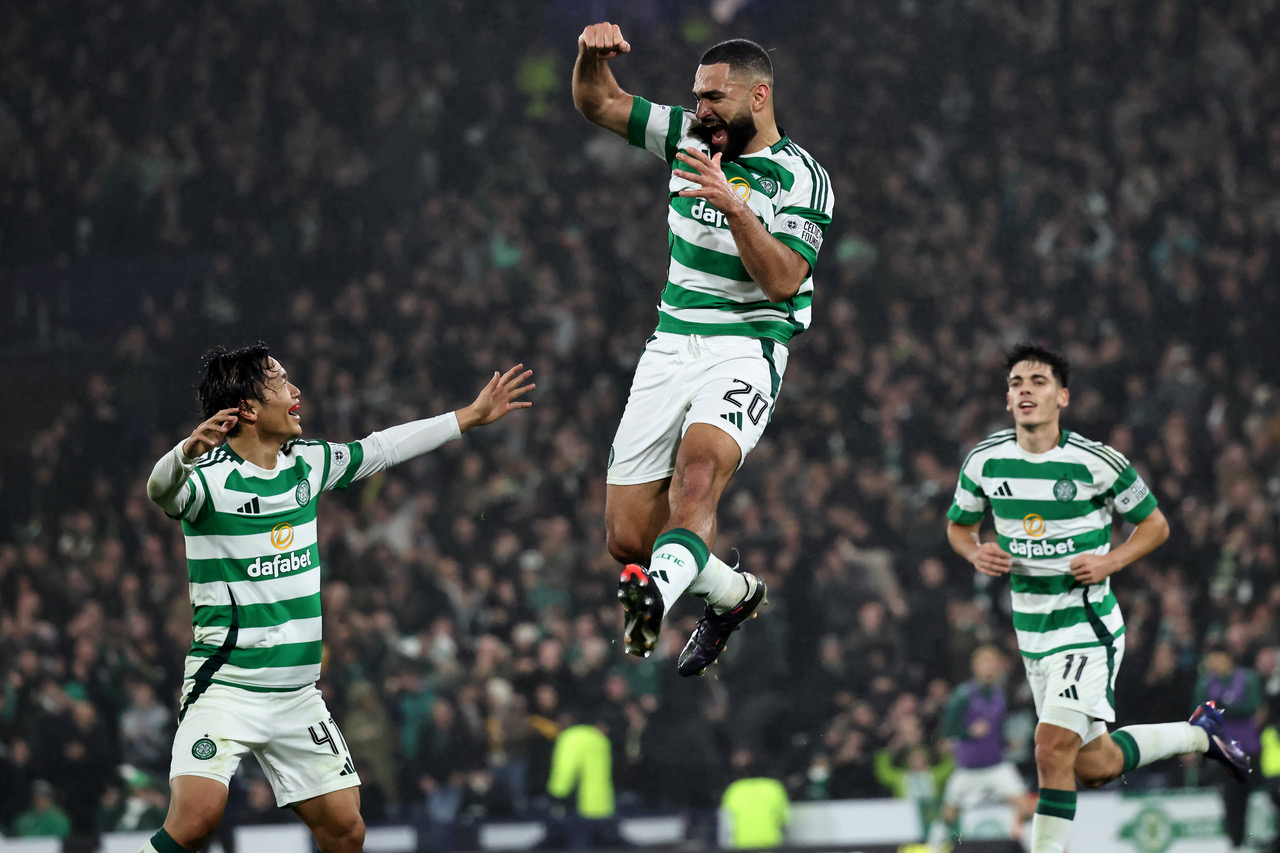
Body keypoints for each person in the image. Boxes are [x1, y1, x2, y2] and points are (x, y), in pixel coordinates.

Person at [143, 343, 533, 853]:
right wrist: (183, 454)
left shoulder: (307, 465)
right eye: (281, 382)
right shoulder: (209, 481)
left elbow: (383, 448)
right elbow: (160, 492)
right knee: (196, 821)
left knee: (347, 830)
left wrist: (469, 417)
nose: (296, 391)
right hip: (227, 689)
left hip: (298, 694)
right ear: (249, 409)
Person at [572, 22, 835, 676]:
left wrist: (734, 206)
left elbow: (782, 280)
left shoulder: (802, 179)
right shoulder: (689, 136)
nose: (701, 110)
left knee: (697, 478)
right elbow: (599, 102)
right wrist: (588, 57)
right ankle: (733, 594)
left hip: (747, 347)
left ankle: (652, 600)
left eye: (715, 97)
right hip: (670, 346)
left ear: (760, 96)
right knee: (628, 536)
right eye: (697, 96)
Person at [945, 343, 1250, 853]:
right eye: (1017, 382)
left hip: (1087, 627)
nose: (1025, 390)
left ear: (1062, 397)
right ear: (1007, 399)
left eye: (1038, 382)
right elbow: (958, 528)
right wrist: (975, 553)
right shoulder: (984, 461)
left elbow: (1155, 525)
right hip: (1033, 633)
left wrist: (1110, 561)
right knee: (1093, 765)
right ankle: (1201, 735)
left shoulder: (1096, 462)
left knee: (1048, 748)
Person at [926, 645, 1030, 851]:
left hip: (996, 766)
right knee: (948, 817)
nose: (989, 667)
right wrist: (968, 732)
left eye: (993, 662)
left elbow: (996, 730)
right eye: (984, 662)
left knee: (1025, 809)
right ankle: (934, 848)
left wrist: (1006, 742)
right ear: (975, 667)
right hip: (968, 770)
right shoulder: (963, 695)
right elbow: (947, 729)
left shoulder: (1000, 695)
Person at [1192, 644, 1262, 849]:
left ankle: (1245, 840)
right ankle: (1235, 842)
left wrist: (1225, 707)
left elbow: (1252, 706)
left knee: (1246, 796)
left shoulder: (1247, 678)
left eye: (1218, 657)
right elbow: (1198, 712)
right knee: (1228, 797)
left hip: (1246, 748)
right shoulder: (1204, 683)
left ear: (1228, 658)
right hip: (1220, 749)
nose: (1214, 663)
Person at [720, 748, 790, 849]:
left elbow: (726, 820)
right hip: (770, 842)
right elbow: (784, 819)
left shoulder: (735, 789)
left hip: (741, 844)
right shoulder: (774, 787)